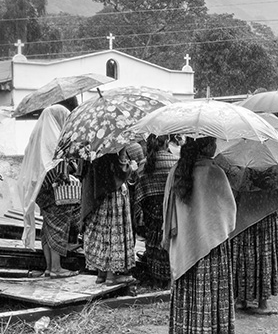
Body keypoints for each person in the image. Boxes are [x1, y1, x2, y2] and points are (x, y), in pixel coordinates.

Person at [163, 136, 236, 334]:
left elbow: (168, 209)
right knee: (209, 292)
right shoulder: (213, 172)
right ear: (206, 146)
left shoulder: (177, 169)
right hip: (210, 243)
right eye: (213, 142)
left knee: (189, 290)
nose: (216, 146)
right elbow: (228, 210)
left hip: (185, 241)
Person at [19, 105, 79, 278]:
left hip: (41, 192)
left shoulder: (38, 139)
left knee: (47, 229)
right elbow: (60, 171)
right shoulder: (54, 141)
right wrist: (71, 164)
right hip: (56, 194)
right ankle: (56, 268)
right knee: (58, 229)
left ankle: (49, 267)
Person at [81, 148, 137, 286]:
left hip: (97, 200)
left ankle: (101, 274)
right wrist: (129, 165)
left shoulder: (92, 150)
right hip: (112, 199)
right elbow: (118, 175)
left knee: (102, 233)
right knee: (113, 233)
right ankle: (112, 275)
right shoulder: (110, 150)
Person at [134, 134, 178, 288]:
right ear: (166, 142)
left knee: (153, 242)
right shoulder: (175, 162)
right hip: (171, 209)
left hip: (151, 210)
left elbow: (139, 193)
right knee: (168, 242)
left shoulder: (144, 164)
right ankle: (168, 279)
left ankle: (155, 279)